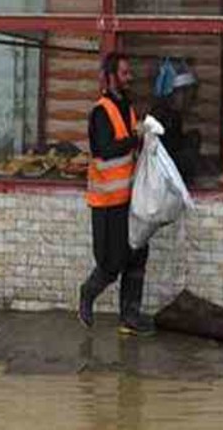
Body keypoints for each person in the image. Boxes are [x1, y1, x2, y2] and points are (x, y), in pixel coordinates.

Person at [78, 52, 155, 336]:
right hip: (108, 202)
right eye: (124, 73)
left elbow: (132, 144)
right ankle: (87, 294)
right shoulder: (101, 111)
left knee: (137, 254)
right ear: (110, 76)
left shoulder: (128, 107)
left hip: (131, 198)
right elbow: (106, 149)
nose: (129, 77)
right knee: (111, 262)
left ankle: (130, 317)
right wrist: (134, 138)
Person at [149, 58, 202, 184]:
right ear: (170, 93)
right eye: (182, 92)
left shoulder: (174, 114)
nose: (186, 98)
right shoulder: (159, 115)